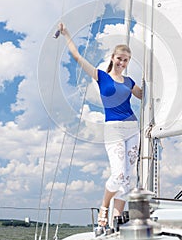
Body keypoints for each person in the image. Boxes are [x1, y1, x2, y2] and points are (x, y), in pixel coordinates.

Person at [59, 23, 142, 227]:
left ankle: (116, 218)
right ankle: (105, 206)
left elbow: (145, 96)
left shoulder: (129, 82)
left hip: (133, 128)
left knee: (130, 179)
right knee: (119, 174)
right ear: (113, 58)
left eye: (126, 60)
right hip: (113, 129)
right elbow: (78, 57)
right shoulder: (101, 76)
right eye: (120, 58)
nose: (122, 62)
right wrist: (67, 33)